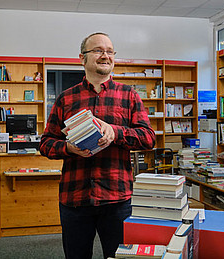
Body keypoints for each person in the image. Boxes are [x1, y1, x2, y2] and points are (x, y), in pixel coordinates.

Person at [39, 32, 155, 259]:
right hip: (75, 199)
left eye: (110, 51)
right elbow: (46, 144)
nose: (106, 55)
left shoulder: (130, 95)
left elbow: (148, 138)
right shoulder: (65, 98)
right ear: (82, 58)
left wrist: (116, 132)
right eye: (99, 50)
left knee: (118, 257)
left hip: (117, 199)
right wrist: (69, 148)